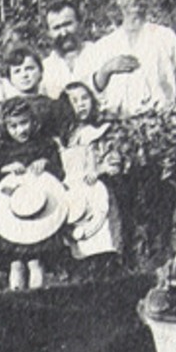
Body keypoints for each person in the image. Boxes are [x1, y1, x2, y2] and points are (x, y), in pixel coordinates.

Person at [0, 97, 68, 289]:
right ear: (5, 127)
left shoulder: (44, 145)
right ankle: (16, 293)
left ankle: (38, 290)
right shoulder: (1, 149)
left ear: (33, 121)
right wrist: (5, 169)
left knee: (35, 262)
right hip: (12, 209)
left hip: (39, 209)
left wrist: (46, 163)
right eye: (13, 126)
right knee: (16, 264)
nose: (21, 130)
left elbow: (60, 174)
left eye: (24, 123)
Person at [79, 0, 176, 117]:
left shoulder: (166, 37)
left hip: (163, 125)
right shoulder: (105, 46)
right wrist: (106, 70)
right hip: (121, 127)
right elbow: (90, 95)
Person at [55, 81, 125, 263]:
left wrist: (99, 170)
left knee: (102, 237)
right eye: (74, 101)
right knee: (78, 238)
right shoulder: (63, 139)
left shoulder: (99, 132)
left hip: (96, 191)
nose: (81, 104)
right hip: (73, 195)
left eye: (85, 98)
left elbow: (114, 162)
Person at [40, 0, 90, 99]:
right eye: (56, 28)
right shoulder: (44, 69)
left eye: (68, 24)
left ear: (79, 23)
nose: (63, 32)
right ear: (48, 33)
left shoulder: (99, 53)